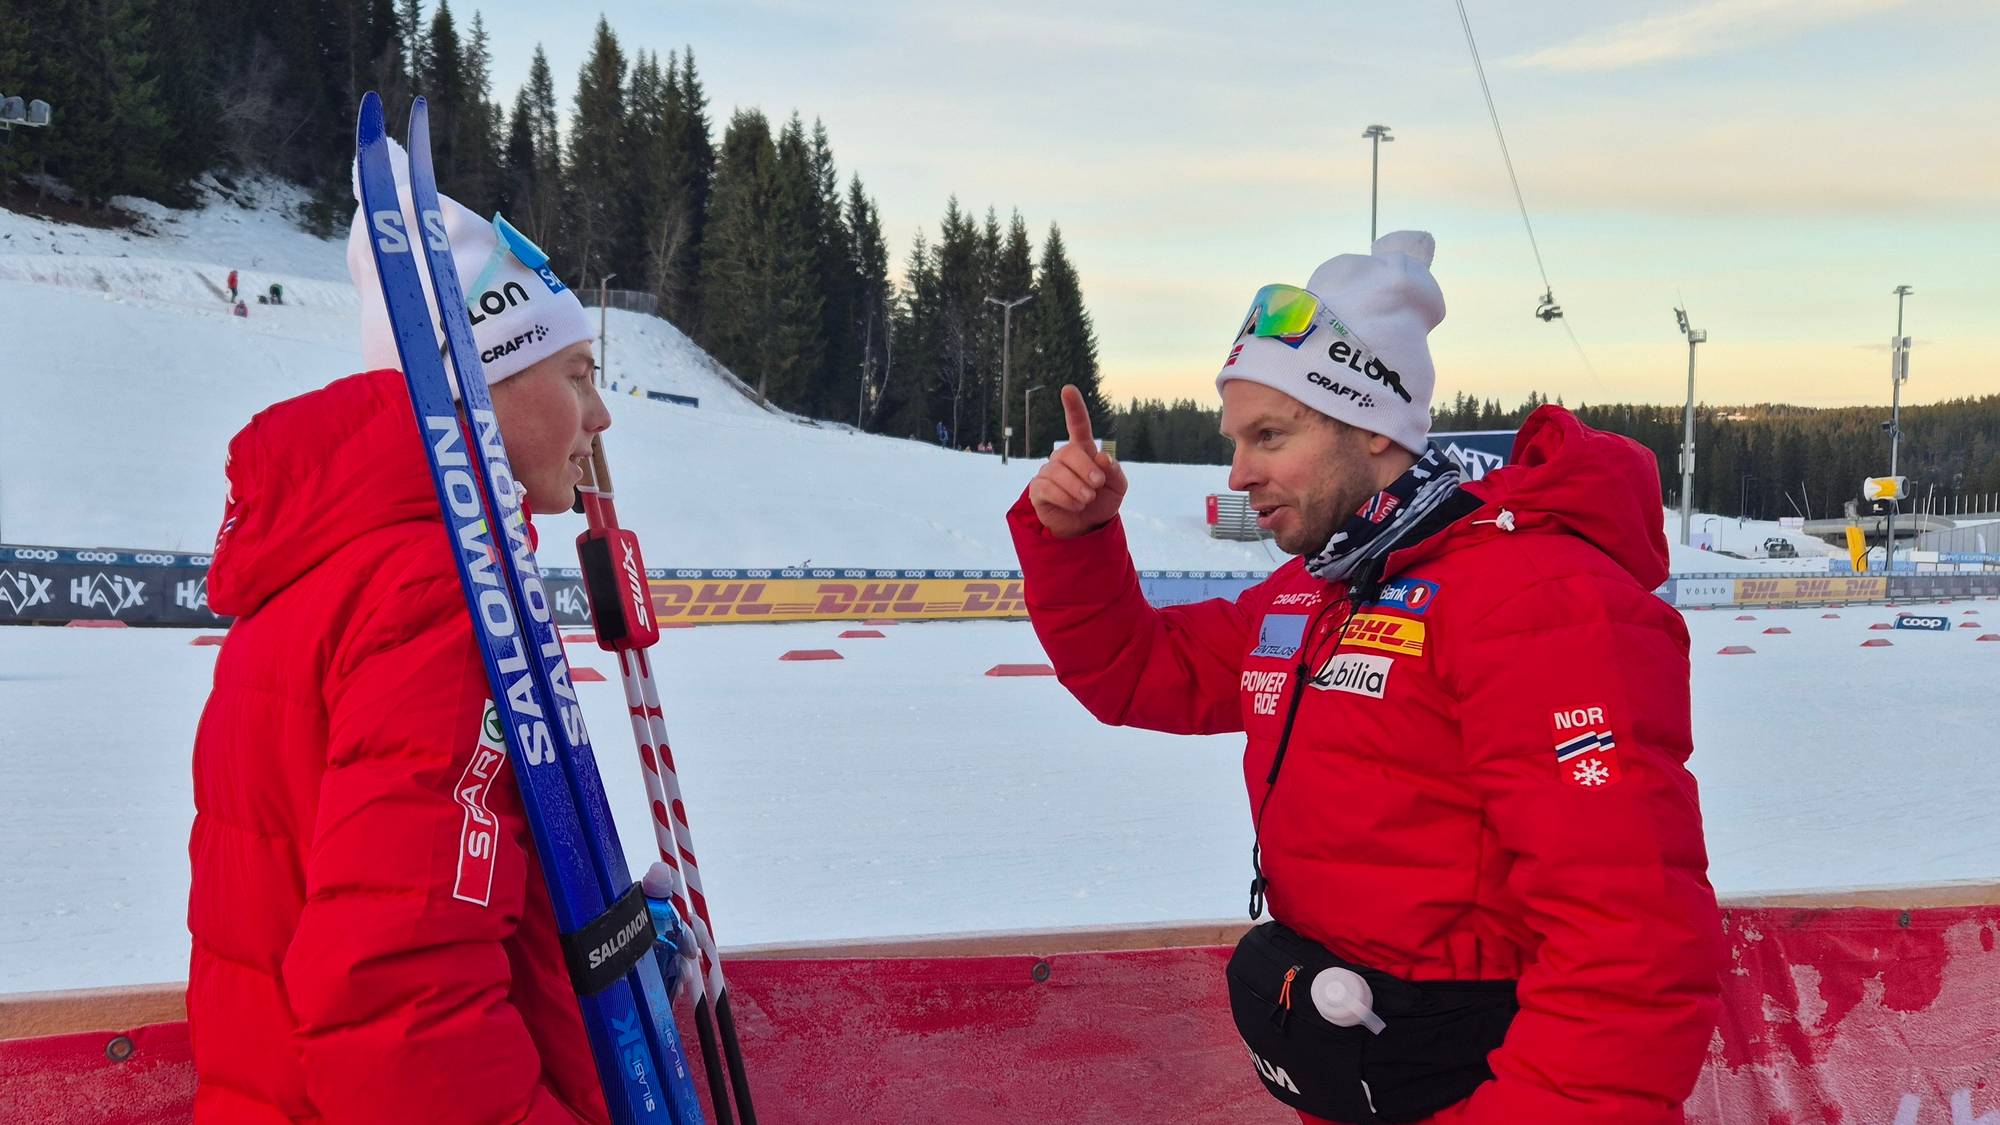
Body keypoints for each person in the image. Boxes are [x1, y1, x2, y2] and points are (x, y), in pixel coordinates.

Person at [1009, 231, 1723, 1124]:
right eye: (1236, 439)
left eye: (1269, 434)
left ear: (1371, 424)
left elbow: (1633, 947)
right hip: (1359, 1062)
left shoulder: (1541, 600)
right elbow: (1139, 669)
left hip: (1482, 1084)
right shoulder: (1317, 589)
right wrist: (1073, 540)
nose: (1239, 472)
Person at [188, 141, 613, 1123]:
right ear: (488, 380)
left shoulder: (337, 557)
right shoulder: (434, 586)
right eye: (578, 374)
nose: (599, 415)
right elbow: (402, 1004)